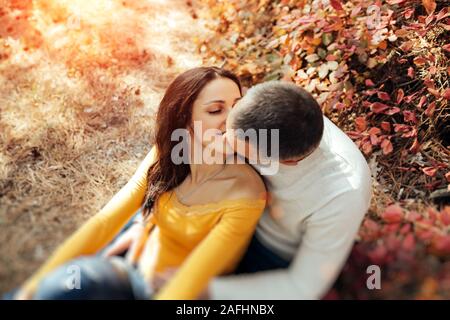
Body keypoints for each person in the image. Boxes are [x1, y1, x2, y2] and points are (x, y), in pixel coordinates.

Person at [14, 67, 267, 300]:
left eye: (236, 108)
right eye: (215, 110)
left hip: (168, 294)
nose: (232, 121)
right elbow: (103, 223)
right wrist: (32, 286)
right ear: (183, 119)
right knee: (57, 286)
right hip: (129, 268)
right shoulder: (166, 156)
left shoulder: (246, 192)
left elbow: (188, 283)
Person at [113, 80, 373, 300]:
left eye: (236, 146)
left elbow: (302, 287)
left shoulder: (342, 195)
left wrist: (206, 289)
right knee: (118, 262)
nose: (222, 142)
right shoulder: (261, 106)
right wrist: (148, 218)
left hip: (267, 253)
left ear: (287, 163)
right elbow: (179, 161)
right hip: (216, 214)